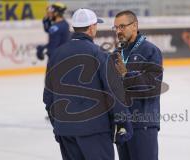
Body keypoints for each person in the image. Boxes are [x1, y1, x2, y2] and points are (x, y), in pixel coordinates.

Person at [43, 8, 133, 160]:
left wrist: (58, 126)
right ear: (91, 28)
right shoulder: (100, 54)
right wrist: (123, 123)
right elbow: (114, 93)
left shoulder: (56, 55)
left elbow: (48, 97)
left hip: (65, 131)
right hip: (94, 132)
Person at [112, 10, 163, 160]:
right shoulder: (117, 53)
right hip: (122, 124)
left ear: (134, 26)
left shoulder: (151, 51)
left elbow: (153, 87)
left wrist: (125, 75)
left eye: (122, 26)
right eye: (116, 27)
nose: (118, 31)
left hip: (143, 124)